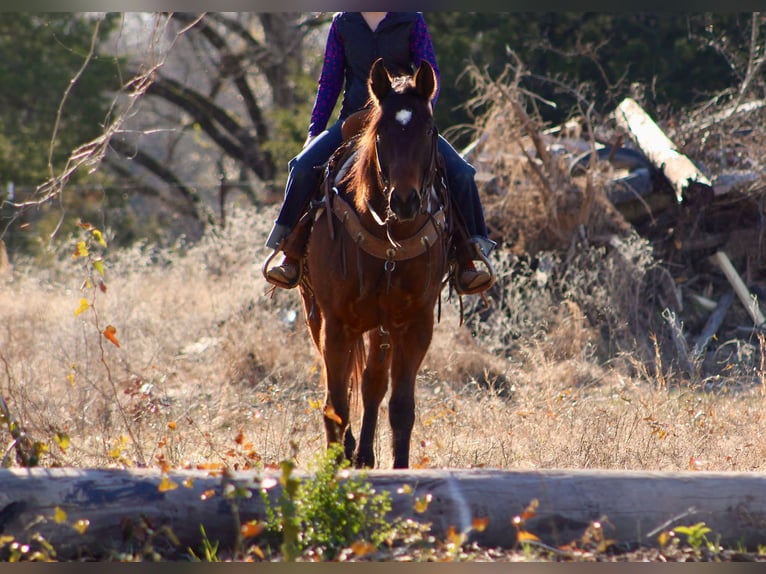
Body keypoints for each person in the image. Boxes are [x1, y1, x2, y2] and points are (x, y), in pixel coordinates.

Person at [264, 12, 495, 294]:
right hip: (355, 118)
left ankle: (468, 257)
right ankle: (291, 252)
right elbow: (330, 81)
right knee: (301, 167)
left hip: (403, 119)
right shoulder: (343, 23)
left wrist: (423, 107)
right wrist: (315, 131)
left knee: (462, 172)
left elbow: (430, 71)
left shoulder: (411, 20)